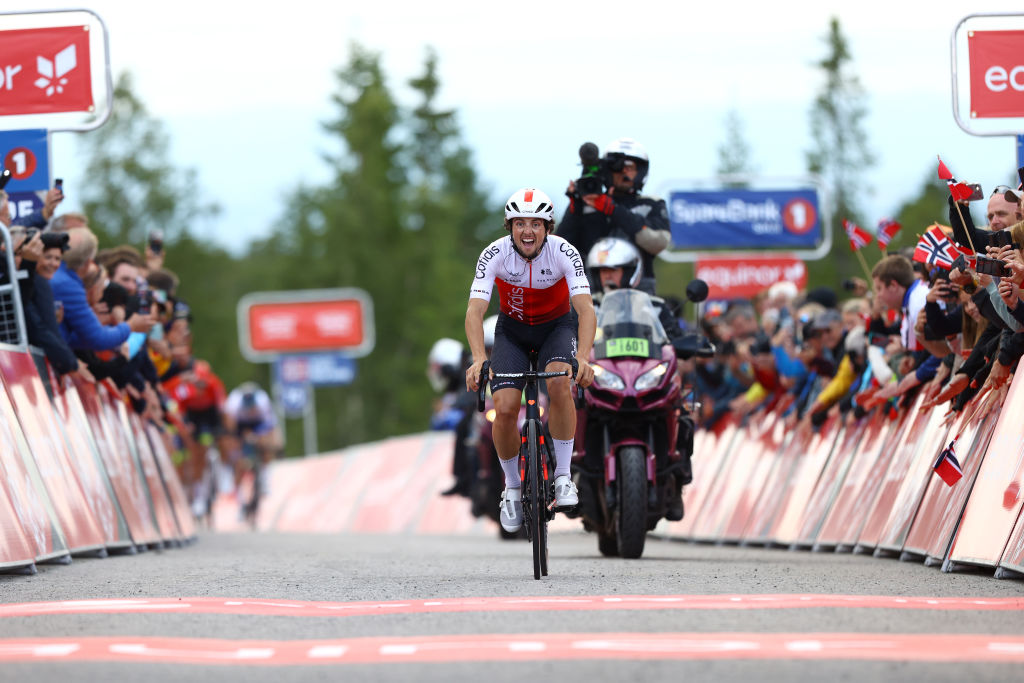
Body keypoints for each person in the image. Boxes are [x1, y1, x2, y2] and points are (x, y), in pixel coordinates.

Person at [465, 188, 596, 534]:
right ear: (509, 227)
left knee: (558, 382)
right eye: (520, 223)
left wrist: (582, 357)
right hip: (513, 332)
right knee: (505, 407)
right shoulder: (493, 253)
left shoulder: (564, 252)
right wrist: (479, 358)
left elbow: (585, 310)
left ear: (548, 228)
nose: (527, 231)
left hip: (556, 327)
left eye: (536, 224)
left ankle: (564, 477)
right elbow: (475, 312)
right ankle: (510, 487)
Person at [556, 138, 671, 294]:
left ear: (641, 171)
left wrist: (613, 210)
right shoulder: (589, 204)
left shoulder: (651, 204)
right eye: (617, 167)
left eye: (630, 167)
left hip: (640, 295)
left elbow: (659, 242)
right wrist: (575, 206)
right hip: (593, 293)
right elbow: (560, 251)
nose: (624, 172)